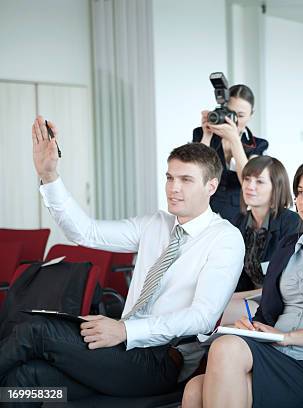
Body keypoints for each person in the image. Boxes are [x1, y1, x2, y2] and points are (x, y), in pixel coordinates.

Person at [0, 117, 245, 399]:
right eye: (169, 177)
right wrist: (49, 175)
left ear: (211, 187)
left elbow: (202, 317)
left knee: (36, 330)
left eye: (186, 180)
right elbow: (85, 233)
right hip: (122, 347)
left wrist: (127, 330)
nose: (173, 188)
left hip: (162, 360)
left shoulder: (225, 239)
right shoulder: (155, 224)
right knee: (26, 380)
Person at [182, 159, 303, 408]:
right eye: (300, 192)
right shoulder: (289, 246)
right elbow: (267, 312)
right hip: (275, 352)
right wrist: (253, 327)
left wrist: (287, 337)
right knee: (193, 390)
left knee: (225, 352)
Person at [221, 156, 302, 324]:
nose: (250, 187)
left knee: (217, 310)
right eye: (247, 179)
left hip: (280, 303)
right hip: (249, 298)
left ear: (276, 187)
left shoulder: (291, 222)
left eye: (259, 182)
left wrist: (232, 298)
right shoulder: (239, 222)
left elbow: (287, 283)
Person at [193, 84, 268, 221]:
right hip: (203, 209)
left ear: (251, 115)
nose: (234, 120)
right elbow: (195, 173)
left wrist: (234, 140)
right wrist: (207, 136)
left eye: (241, 115)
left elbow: (248, 180)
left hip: (239, 214)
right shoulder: (202, 133)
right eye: (231, 114)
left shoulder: (257, 144)